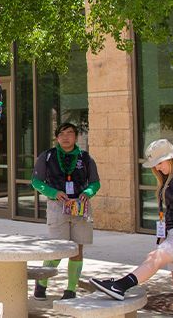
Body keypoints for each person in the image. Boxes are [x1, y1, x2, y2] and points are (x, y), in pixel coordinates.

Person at [91, 139, 173, 317]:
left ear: (172, 158)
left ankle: (120, 286)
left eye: (160, 162)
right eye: (155, 164)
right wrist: (165, 235)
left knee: (155, 257)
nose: (157, 168)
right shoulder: (169, 179)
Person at [31, 123, 100, 300]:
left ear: (76, 137)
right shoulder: (47, 156)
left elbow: (95, 183)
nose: (66, 137)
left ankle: (70, 289)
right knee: (57, 249)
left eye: (70, 133)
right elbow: (36, 182)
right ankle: (42, 283)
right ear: (57, 137)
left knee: (77, 249)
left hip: (80, 206)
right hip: (57, 206)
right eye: (62, 134)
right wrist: (53, 193)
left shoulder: (85, 158)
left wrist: (88, 192)